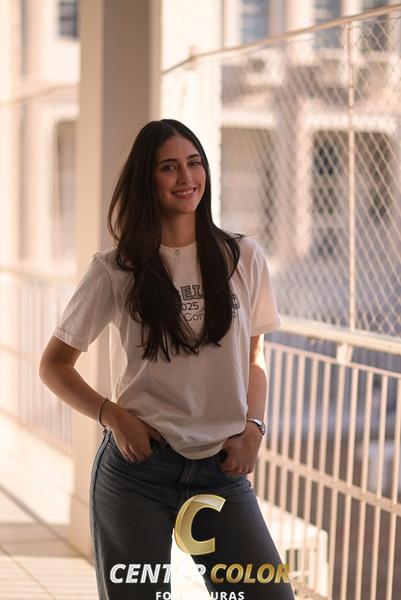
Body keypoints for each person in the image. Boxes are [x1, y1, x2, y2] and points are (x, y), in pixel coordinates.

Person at [39, 119, 295, 600]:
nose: (186, 177)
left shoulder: (244, 257)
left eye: (194, 163)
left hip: (221, 471)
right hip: (139, 469)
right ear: (147, 179)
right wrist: (113, 416)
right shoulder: (116, 269)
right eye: (169, 167)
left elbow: (255, 356)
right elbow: (54, 365)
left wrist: (254, 428)